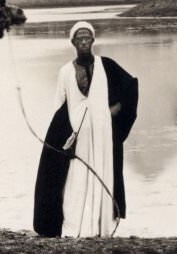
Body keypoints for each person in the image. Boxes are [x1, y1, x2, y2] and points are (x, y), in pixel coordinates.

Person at [33, 20, 138, 237]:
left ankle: (101, 228)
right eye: (79, 38)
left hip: (102, 136)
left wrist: (117, 107)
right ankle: (75, 228)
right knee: (75, 179)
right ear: (73, 42)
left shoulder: (106, 66)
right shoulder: (65, 72)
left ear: (92, 40)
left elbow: (130, 86)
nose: (83, 42)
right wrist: (62, 138)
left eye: (87, 38)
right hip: (78, 137)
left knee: (103, 173)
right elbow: (58, 107)